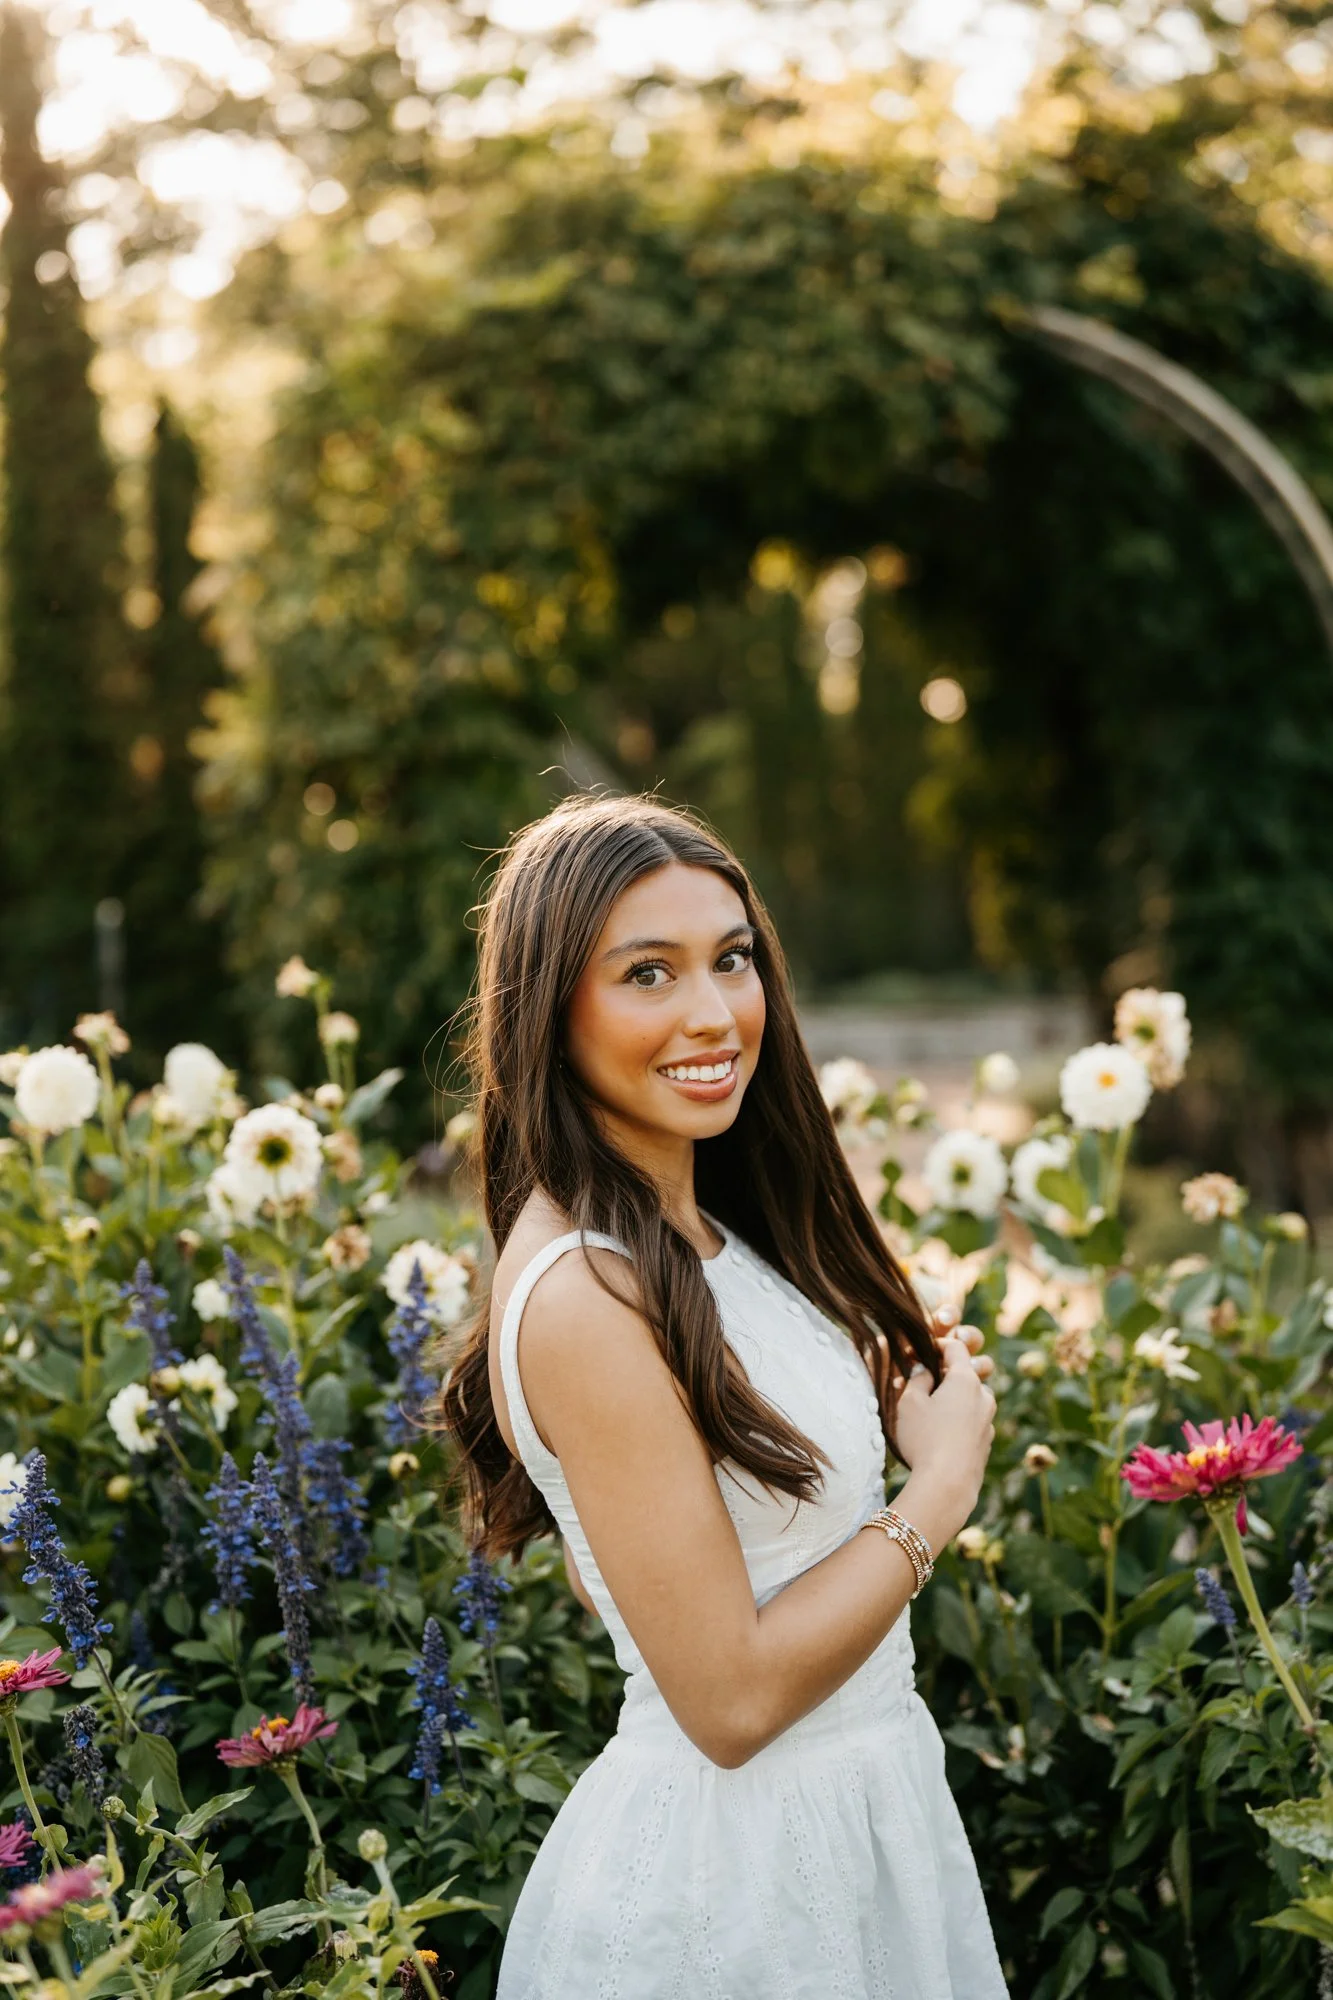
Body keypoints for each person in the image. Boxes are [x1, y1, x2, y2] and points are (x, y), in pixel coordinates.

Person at [440, 793, 1007, 1998]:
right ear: (550, 1005)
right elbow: (731, 1698)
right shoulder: (587, 1290)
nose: (714, 1013)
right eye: (647, 972)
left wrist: (849, 1397)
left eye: (731, 958)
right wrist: (940, 1485)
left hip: (854, 1824)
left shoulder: (688, 1226)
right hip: (731, 1894)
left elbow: (632, 1571)